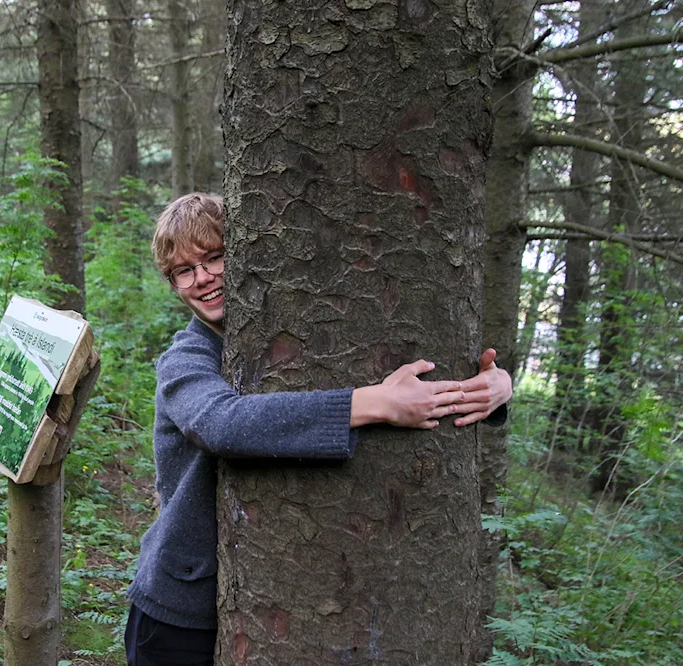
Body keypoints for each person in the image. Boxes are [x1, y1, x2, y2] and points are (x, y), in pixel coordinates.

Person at [124, 193, 512, 666]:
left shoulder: (293, 336)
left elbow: (421, 388)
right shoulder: (185, 359)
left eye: (215, 257)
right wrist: (371, 403)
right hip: (177, 614)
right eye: (184, 270)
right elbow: (221, 424)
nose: (202, 277)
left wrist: (490, 390)